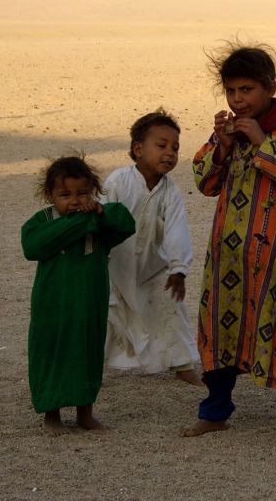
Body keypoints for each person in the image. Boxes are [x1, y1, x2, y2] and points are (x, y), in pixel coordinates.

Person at [181, 43, 276, 444]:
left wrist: (262, 141)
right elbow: (204, 183)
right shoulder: (227, 132)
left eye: (246, 90)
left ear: (268, 88)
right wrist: (222, 146)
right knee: (221, 330)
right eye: (231, 91)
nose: (238, 100)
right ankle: (215, 411)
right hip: (229, 261)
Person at [21, 155, 135, 434]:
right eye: (65, 194)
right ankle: (52, 415)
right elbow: (32, 246)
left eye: (82, 193)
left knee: (87, 352)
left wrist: (98, 214)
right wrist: (82, 223)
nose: (74, 200)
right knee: (52, 353)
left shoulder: (97, 217)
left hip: (89, 303)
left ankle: (86, 413)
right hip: (53, 306)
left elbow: (126, 223)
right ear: (50, 195)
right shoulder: (43, 221)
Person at [102, 109, 201, 384]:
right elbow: (101, 218)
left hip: (153, 269)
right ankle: (90, 370)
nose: (170, 153)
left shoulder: (171, 192)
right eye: (161, 145)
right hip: (113, 267)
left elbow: (176, 231)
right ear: (138, 149)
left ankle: (182, 366)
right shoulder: (118, 182)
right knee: (106, 316)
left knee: (171, 307)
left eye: (175, 148)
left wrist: (178, 269)